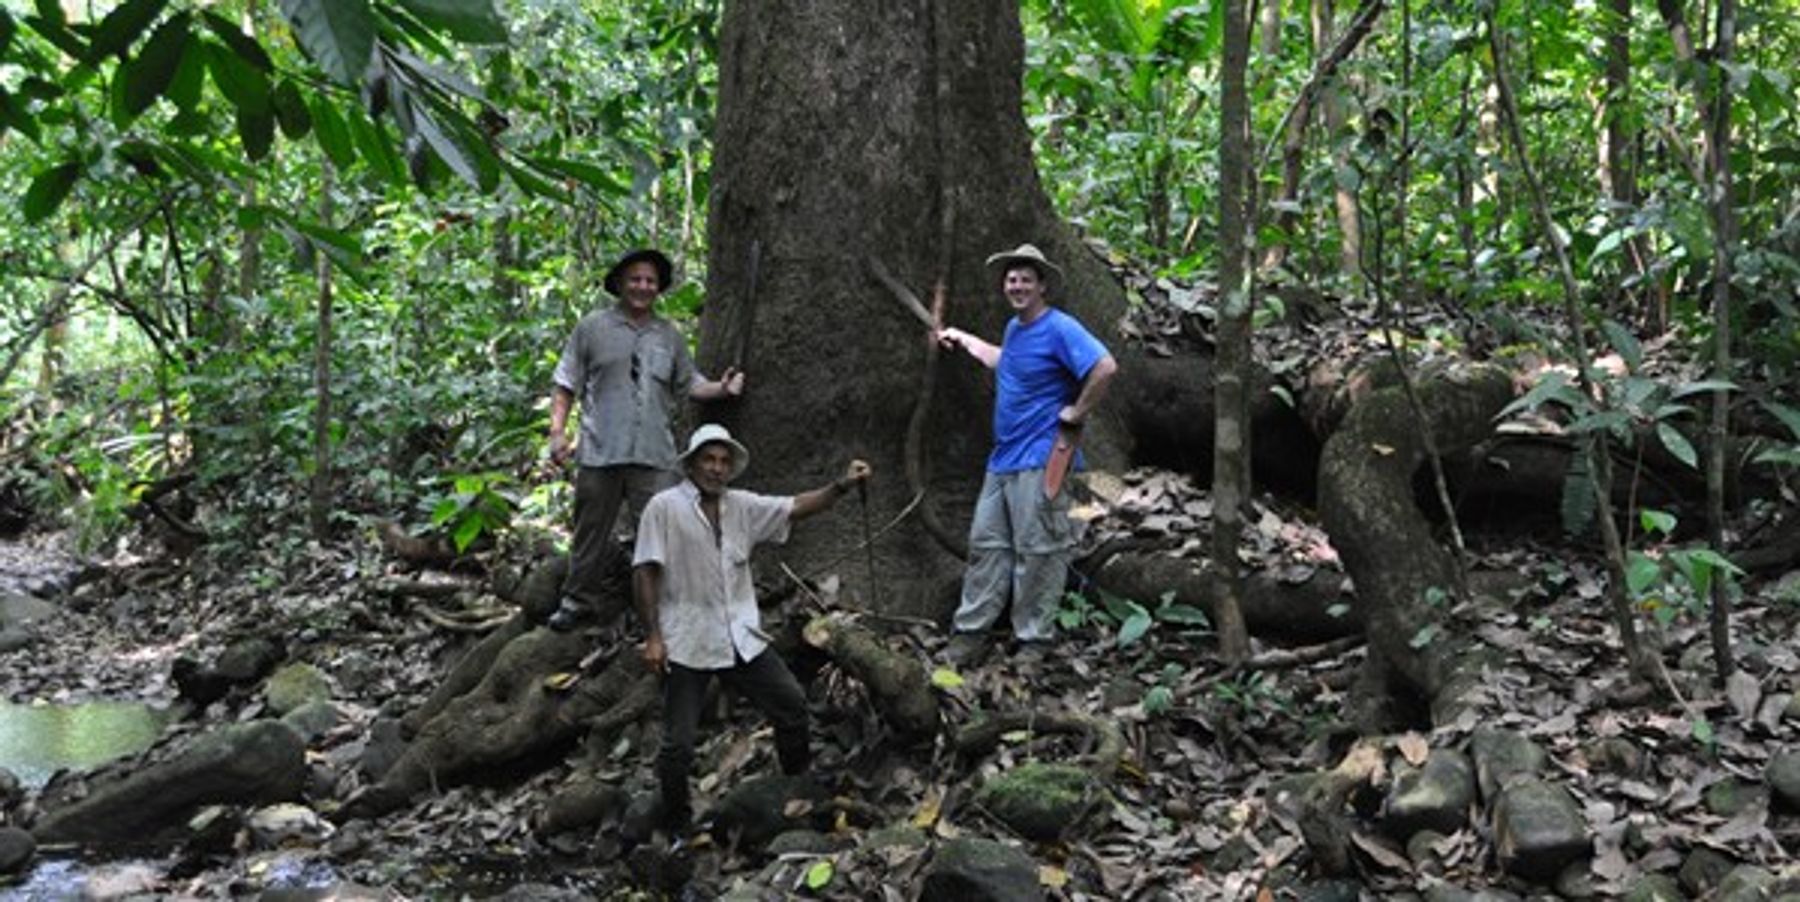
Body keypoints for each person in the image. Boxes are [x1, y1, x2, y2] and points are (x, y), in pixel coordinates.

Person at [633, 423, 872, 833]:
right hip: (686, 638)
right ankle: (677, 823)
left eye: (724, 461)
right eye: (708, 459)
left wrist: (842, 485)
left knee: (791, 706)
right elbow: (645, 569)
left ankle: (795, 788)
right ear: (692, 464)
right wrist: (653, 635)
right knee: (678, 744)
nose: (716, 468)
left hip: (740, 635)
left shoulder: (741, 505)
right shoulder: (665, 507)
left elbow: (794, 507)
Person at [934, 243, 1118, 665]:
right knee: (987, 545)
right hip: (1003, 459)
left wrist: (1077, 411)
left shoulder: (1060, 327)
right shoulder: (1015, 329)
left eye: (1025, 280)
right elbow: (1007, 362)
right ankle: (970, 634)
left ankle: (1034, 640)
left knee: (1039, 551)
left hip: (1044, 456)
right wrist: (963, 339)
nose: (1016, 286)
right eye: (1011, 279)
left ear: (1042, 286)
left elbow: (1105, 366)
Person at [546, 248, 747, 631]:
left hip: (654, 455)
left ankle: (655, 613)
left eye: (650, 281)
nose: (642, 287)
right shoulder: (591, 328)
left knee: (658, 536)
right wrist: (557, 432)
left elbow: (691, 385)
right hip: (600, 450)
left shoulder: (668, 336)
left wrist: (722, 388)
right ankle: (578, 602)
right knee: (590, 531)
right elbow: (565, 382)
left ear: (658, 289)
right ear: (620, 283)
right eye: (635, 279)